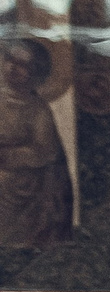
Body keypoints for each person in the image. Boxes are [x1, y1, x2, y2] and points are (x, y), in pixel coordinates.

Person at [0, 37, 70, 250]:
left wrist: (8, 157)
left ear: (36, 73)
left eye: (23, 65)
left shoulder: (37, 110)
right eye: (11, 60)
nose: (14, 68)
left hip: (25, 178)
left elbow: (45, 153)